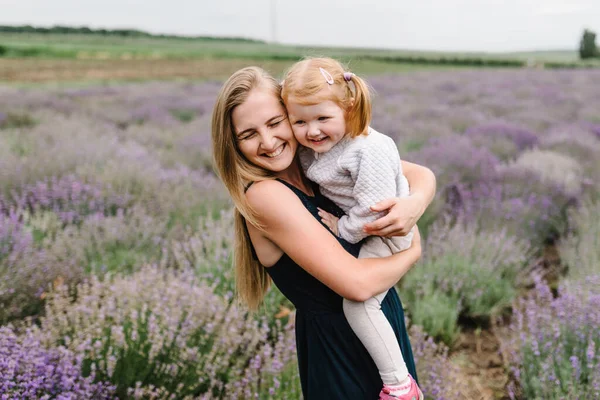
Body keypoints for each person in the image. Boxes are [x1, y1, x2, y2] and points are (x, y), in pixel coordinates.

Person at [211, 66, 436, 399]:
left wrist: (413, 205)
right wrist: (413, 248)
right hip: (339, 354)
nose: (269, 142)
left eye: (276, 123)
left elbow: (420, 173)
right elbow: (357, 285)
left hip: (378, 327)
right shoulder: (264, 195)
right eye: (249, 134)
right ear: (233, 143)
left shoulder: (315, 160)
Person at [281, 57, 421, 399]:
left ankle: (400, 385)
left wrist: (343, 228)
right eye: (299, 121)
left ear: (349, 108)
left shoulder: (365, 151)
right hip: (370, 229)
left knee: (359, 305)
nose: (311, 131)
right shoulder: (323, 143)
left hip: (383, 233)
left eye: (322, 119)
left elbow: (374, 213)